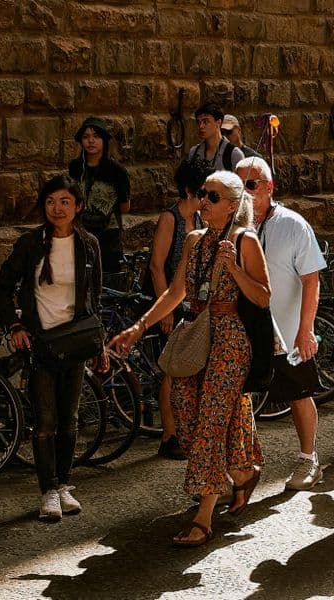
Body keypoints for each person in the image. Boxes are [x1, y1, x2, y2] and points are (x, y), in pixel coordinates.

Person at [109, 171, 269, 547]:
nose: (203, 202)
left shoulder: (245, 240)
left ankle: (204, 515)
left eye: (213, 197)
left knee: (212, 419)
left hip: (230, 339)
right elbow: (176, 291)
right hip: (196, 332)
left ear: (233, 206)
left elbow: (263, 296)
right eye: (202, 194)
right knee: (186, 410)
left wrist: (234, 268)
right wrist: (140, 326)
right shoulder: (195, 240)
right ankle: (242, 471)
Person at [0, 176, 109, 521]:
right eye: (50, 201)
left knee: (69, 419)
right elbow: (4, 286)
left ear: (78, 206)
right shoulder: (31, 244)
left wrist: (99, 344)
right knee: (45, 420)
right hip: (41, 344)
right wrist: (14, 325)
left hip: (74, 342)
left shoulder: (89, 245)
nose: (57, 208)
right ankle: (47, 490)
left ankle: (63, 485)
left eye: (64, 201)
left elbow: (94, 298)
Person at [235, 156, 327, 491]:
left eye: (251, 184)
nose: (245, 192)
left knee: (298, 394)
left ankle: (309, 459)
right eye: (239, 185)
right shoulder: (233, 227)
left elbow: (312, 280)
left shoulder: (293, 225)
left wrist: (306, 330)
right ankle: (240, 467)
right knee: (237, 400)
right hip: (245, 331)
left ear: (269, 187)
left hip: (286, 330)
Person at [147, 157, 210, 460]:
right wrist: (165, 310)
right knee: (170, 371)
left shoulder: (200, 219)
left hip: (191, 304)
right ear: (188, 190)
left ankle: (184, 431)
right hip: (171, 301)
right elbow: (156, 266)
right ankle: (168, 434)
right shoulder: (169, 218)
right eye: (202, 191)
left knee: (187, 369)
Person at [68, 117, 131, 273]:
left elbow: (125, 206)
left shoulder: (116, 170)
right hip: (80, 231)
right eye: (86, 137)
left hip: (108, 235)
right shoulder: (76, 167)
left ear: (104, 140)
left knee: (108, 278)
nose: (91, 141)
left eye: (96, 136)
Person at [188, 103, 245, 172]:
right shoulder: (194, 152)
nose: (201, 126)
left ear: (218, 123)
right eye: (198, 122)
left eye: (205, 121)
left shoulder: (234, 154)